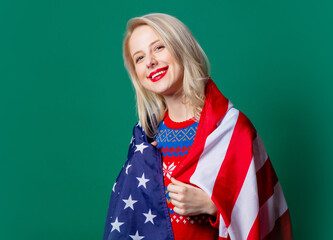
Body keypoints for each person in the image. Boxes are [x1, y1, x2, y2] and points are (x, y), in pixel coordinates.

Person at [103, 13, 292, 240]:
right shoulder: (145, 138)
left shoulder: (231, 130)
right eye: (139, 58)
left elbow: (261, 214)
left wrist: (212, 206)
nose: (150, 61)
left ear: (182, 47)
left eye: (159, 47)